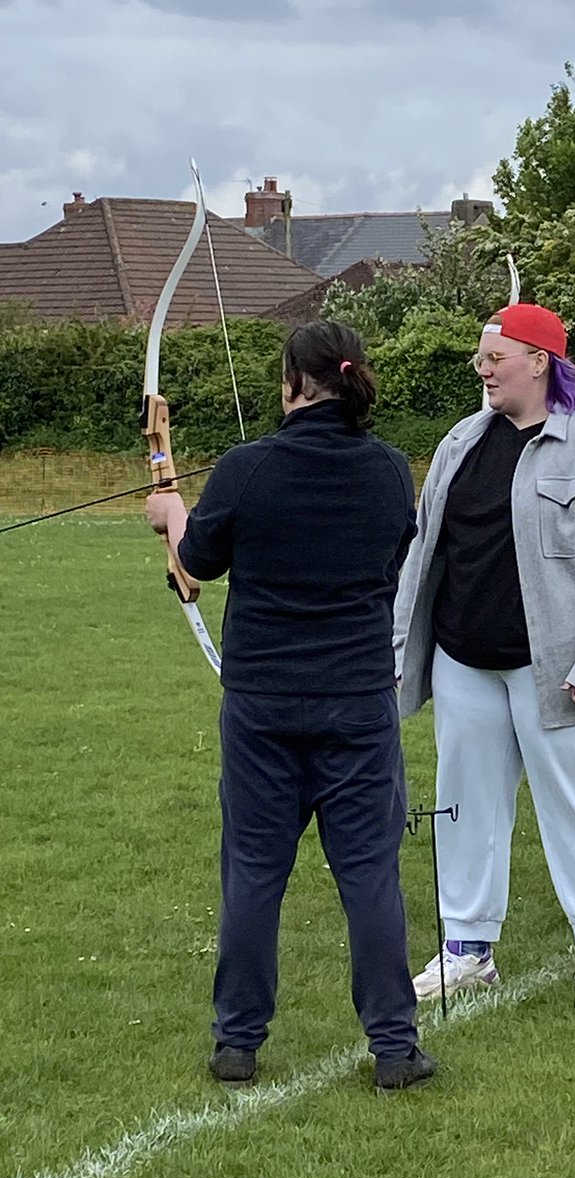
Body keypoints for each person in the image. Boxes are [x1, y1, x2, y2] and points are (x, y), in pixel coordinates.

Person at [145, 319, 435, 1092]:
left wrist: (171, 512)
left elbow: (197, 559)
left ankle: (237, 1042)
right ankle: (395, 1048)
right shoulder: (387, 470)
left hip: (265, 705)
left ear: (294, 384)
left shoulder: (248, 468)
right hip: (356, 702)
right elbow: (390, 557)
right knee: (369, 873)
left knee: (254, 869)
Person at [393, 302, 575, 1014]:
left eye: (494, 358)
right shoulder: (461, 440)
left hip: (563, 675)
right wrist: (402, 646)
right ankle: (467, 948)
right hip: (463, 663)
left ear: (539, 362)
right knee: (464, 809)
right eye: (481, 358)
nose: (482, 370)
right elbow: (424, 550)